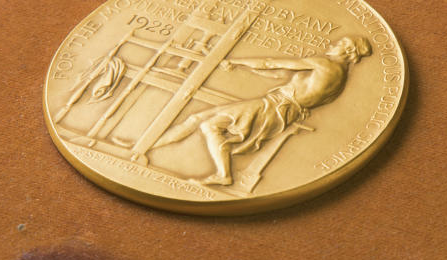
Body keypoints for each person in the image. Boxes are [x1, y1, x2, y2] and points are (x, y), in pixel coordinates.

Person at [152, 36, 372, 185]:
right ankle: (149, 148)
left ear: (348, 50)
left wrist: (234, 60)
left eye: (341, 42)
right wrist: (242, 67)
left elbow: (269, 63)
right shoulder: (340, 79)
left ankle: (221, 174)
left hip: (275, 105)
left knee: (203, 120)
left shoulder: (324, 63)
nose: (333, 44)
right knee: (201, 120)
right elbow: (280, 77)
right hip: (285, 110)